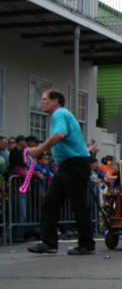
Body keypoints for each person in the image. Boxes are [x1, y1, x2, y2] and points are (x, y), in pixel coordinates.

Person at [26, 89, 95, 255]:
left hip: (74, 164)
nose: (41, 102)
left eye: (44, 99)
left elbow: (59, 135)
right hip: (68, 165)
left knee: (78, 204)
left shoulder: (59, 114)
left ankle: (86, 244)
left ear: (55, 101)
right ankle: (49, 243)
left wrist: (39, 149)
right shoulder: (62, 115)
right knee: (50, 202)